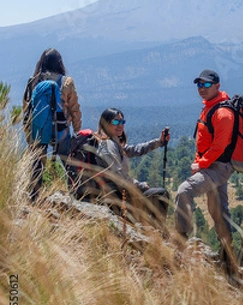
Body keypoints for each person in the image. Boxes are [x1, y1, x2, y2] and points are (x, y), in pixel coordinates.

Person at [174, 69, 236, 269]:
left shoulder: (222, 113)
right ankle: (228, 255)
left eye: (206, 84)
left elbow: (219, 146)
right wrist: (198, 162)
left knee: (184, 191)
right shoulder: (209, 107)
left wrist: (201, 164)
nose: (202, 88)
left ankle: (180, 241)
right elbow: (203, 144)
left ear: (217, 86)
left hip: (218, 167)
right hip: (211, 166)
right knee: (217, 210)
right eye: (199, 85)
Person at [22, 48, 82, 199]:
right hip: (61, 129)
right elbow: (74, 108)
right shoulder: (66, 82)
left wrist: (29, 131)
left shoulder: (33, 81)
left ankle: (34, 195)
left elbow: (27, 107)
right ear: (60, 63)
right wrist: (77, 130)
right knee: (69, 163)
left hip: (39, 128)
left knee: (37, 162)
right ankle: (77, 196)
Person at [95, 107, 170, 225]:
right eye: (116, 122)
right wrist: (140, 185)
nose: (120, 125)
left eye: (122, 122)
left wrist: (159, 142)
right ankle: (156, 233)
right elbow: (119, 176)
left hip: (120, 196)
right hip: (118, 200)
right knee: (161, 195)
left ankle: (151, 230)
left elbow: (136, 149)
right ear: (105, 123)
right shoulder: (107, 146)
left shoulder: (114, 143)